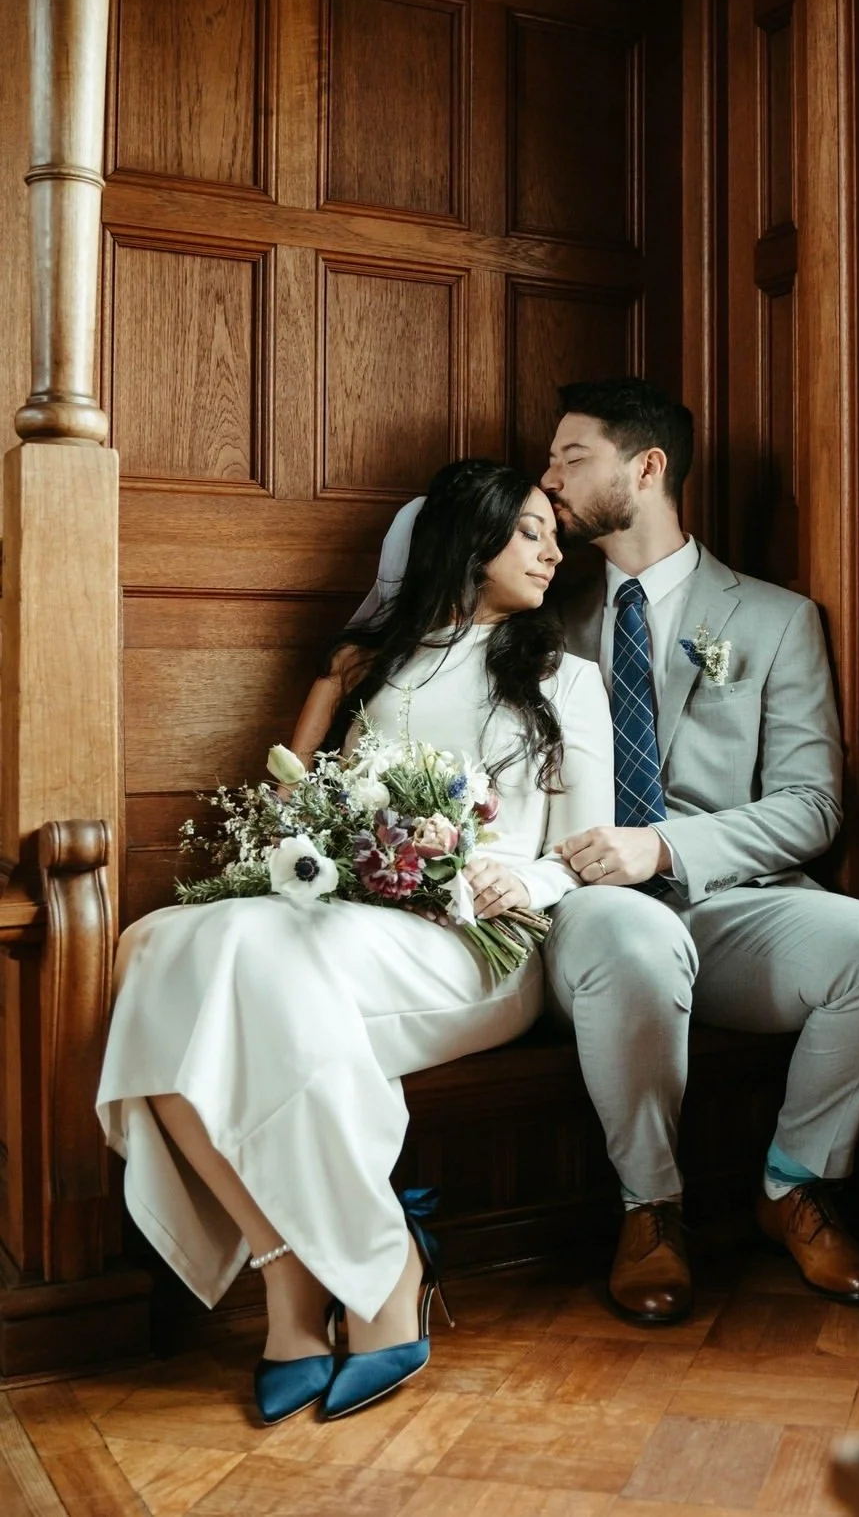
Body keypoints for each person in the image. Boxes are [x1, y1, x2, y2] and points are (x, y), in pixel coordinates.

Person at [361, 382, 859, 1326]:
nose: (547, 479)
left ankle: (794, 1183)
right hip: (581, 909)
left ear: (647, 468)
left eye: (569, 457)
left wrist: (662, 844)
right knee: (630, 935)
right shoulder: (537, 619)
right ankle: (651, 1210)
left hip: (728, 898)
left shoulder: (773, 620)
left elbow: (811, 804)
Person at [97, 461, 613, 1422]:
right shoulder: (375, 663)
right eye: (532, 531)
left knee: (253, 956)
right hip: (354, 918)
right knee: (155, 948)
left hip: (480, 943)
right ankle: (289, 1273)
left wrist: (523, 876)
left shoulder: (564, 677)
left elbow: (587, 843)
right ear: (472, 540)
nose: (553, 550)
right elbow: (296, 796)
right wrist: (329, 703)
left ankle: (381, 1273)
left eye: (554, 535)